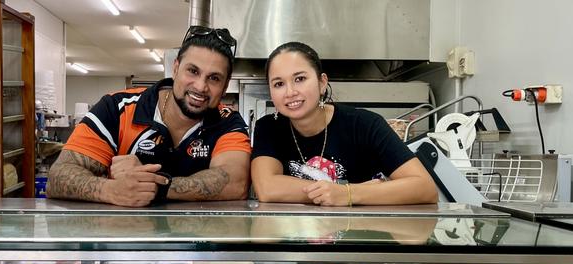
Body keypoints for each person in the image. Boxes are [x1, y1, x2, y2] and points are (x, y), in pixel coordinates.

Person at [47, 26, 251, 207]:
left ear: (224, 87)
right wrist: (111, 190)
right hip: (120, 243)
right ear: (176, 68)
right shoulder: (116, 108)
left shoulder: (228, 121)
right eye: (193, 71)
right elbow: (58, 176)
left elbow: (235, 183)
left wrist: (156, 185)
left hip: (199, 245)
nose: (200, 86)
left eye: (214, 78)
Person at [251, 42, 437, 206]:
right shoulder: (269, 127)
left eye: (300, 79)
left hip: (359, 237)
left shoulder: (364, 124)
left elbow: (424, 188)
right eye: (278, 84)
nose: (290, 92)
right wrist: (338, 190)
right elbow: (267, 189)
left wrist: (349, 194)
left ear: (322, 82)